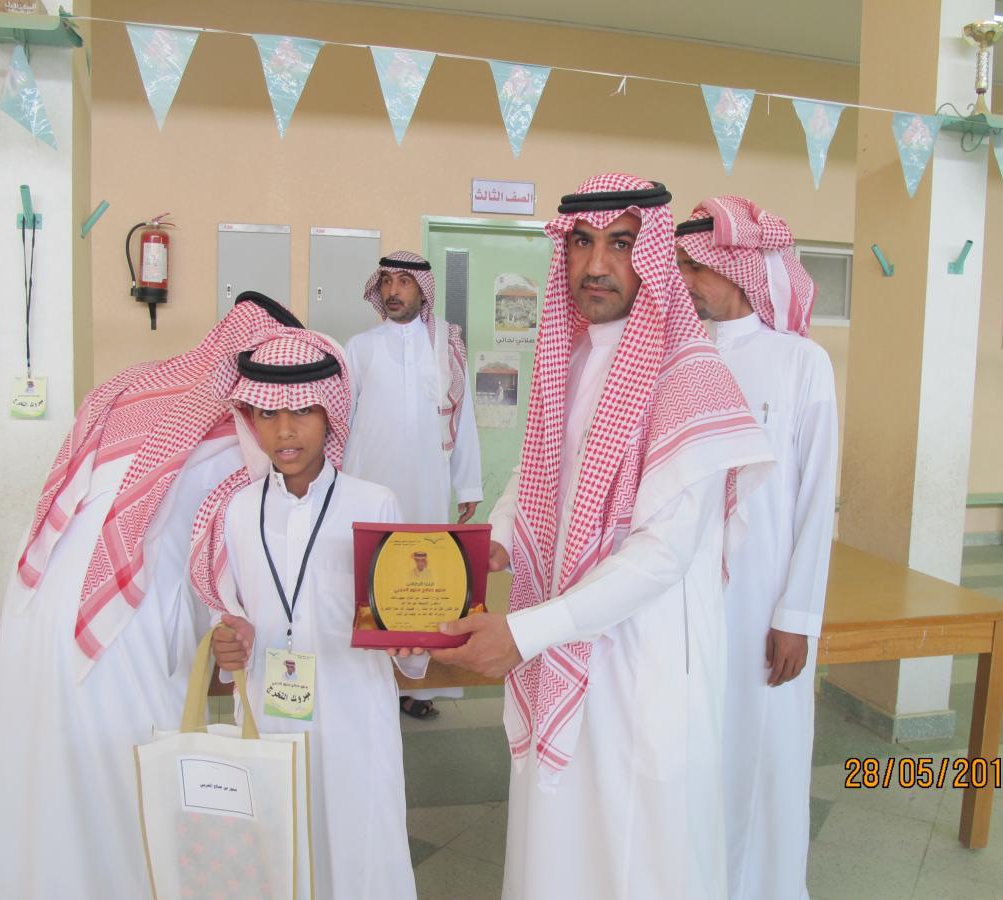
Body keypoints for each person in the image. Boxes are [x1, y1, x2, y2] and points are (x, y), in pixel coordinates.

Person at [433, 174, 774, 900]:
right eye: (581, 243)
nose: (596, 265)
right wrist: (495, 541)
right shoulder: (573, 356)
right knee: (560, 845)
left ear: (650, 255)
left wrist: (525, 633)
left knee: (634, 853)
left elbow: (662, 554)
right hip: (561, 632)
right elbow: (535, 471)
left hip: (641, 659)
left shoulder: (689, 376)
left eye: (620, 244)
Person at [0, 295, 304, 900]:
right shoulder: (240, 433)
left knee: (38, 776)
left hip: (38, 605)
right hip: (122, 622)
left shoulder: (133, 388)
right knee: (128, 788)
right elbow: (244, 553)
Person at [189, 329, 426, 899]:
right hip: (268, 717)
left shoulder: (374, 503)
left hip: (353, 718)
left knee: (357, 850)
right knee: (278, 855)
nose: (284, 430)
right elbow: (227, 618)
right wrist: (226, 640)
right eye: (267, 413)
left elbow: (410, 641)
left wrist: (411, 643)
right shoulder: (236, 511)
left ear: (330, 415)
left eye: (301, 411)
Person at [676, 196, 838, 900]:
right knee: (696, 748)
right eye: (681, 266)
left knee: (766, 751)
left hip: (765, 598)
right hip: (685, 597)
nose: (684, 281)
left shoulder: (802, 363)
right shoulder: (681, 359)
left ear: (740, 269)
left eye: (696, 267)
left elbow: (816, 498)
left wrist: (797, 615)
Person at [343, 250, 483, 719]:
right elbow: (341, 421)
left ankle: (418, 687)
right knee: (371, 576)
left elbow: (462, 418)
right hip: (367, 481)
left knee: (422, 579)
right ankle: (368, 680)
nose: (393, 291)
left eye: (404, 282)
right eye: (386, 282)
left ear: (422, 289)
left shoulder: (445, 345)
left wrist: (467, 485)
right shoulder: (359, 347)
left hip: (427, 483)